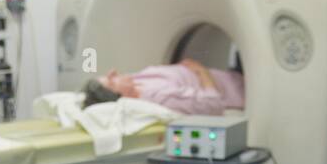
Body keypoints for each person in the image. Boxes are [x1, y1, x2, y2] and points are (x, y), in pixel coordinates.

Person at [82, 58, 244, 115]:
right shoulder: (158, 98)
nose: (113, 72)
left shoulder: (135, 81)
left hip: (229, 75)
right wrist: (201, 71)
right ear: (121, 97)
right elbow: (213, 103)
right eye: (111, 82)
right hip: (240, 88)